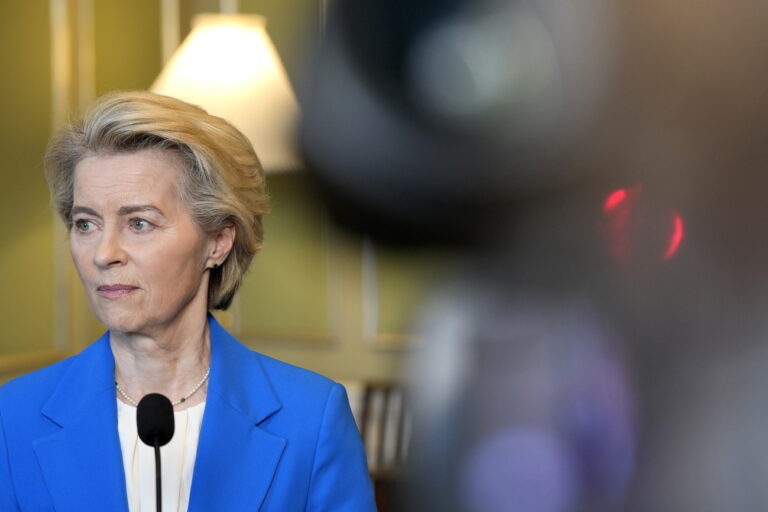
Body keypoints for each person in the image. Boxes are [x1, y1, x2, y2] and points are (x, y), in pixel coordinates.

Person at [0, 91, 376, 512]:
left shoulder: (312, 417)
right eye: (85, 223)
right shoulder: (13, 416)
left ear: (217, 241)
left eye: (139, 222)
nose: (104, 253)